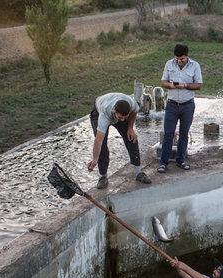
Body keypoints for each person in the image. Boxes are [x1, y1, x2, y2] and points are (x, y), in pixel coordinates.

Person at [87, 92, 151, 189]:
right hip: (99, 109)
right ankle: (103, 176)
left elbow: (134, 112)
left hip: (118, 106)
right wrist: (94, 160)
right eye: (120, 117)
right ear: (114, 111)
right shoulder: (105, 115)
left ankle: (139, 172)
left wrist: (130, 128)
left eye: (124, 117)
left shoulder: (131, 105)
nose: (122, 120)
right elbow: (98, 140)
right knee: (103, 146)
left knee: (131, 138)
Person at [158, 44, 203, 173]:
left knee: (184, 134)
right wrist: (171, 85)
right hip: (172, 105)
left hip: (187, 105)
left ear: (187, 56)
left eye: (182, 59)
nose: (179, 61)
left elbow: (199, 85)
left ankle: (180, 160)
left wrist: (185, 86)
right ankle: (163, 163)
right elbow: (163, 82)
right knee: (168, 134)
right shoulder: (169, 64)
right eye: (177, 59)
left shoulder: (195, 66)